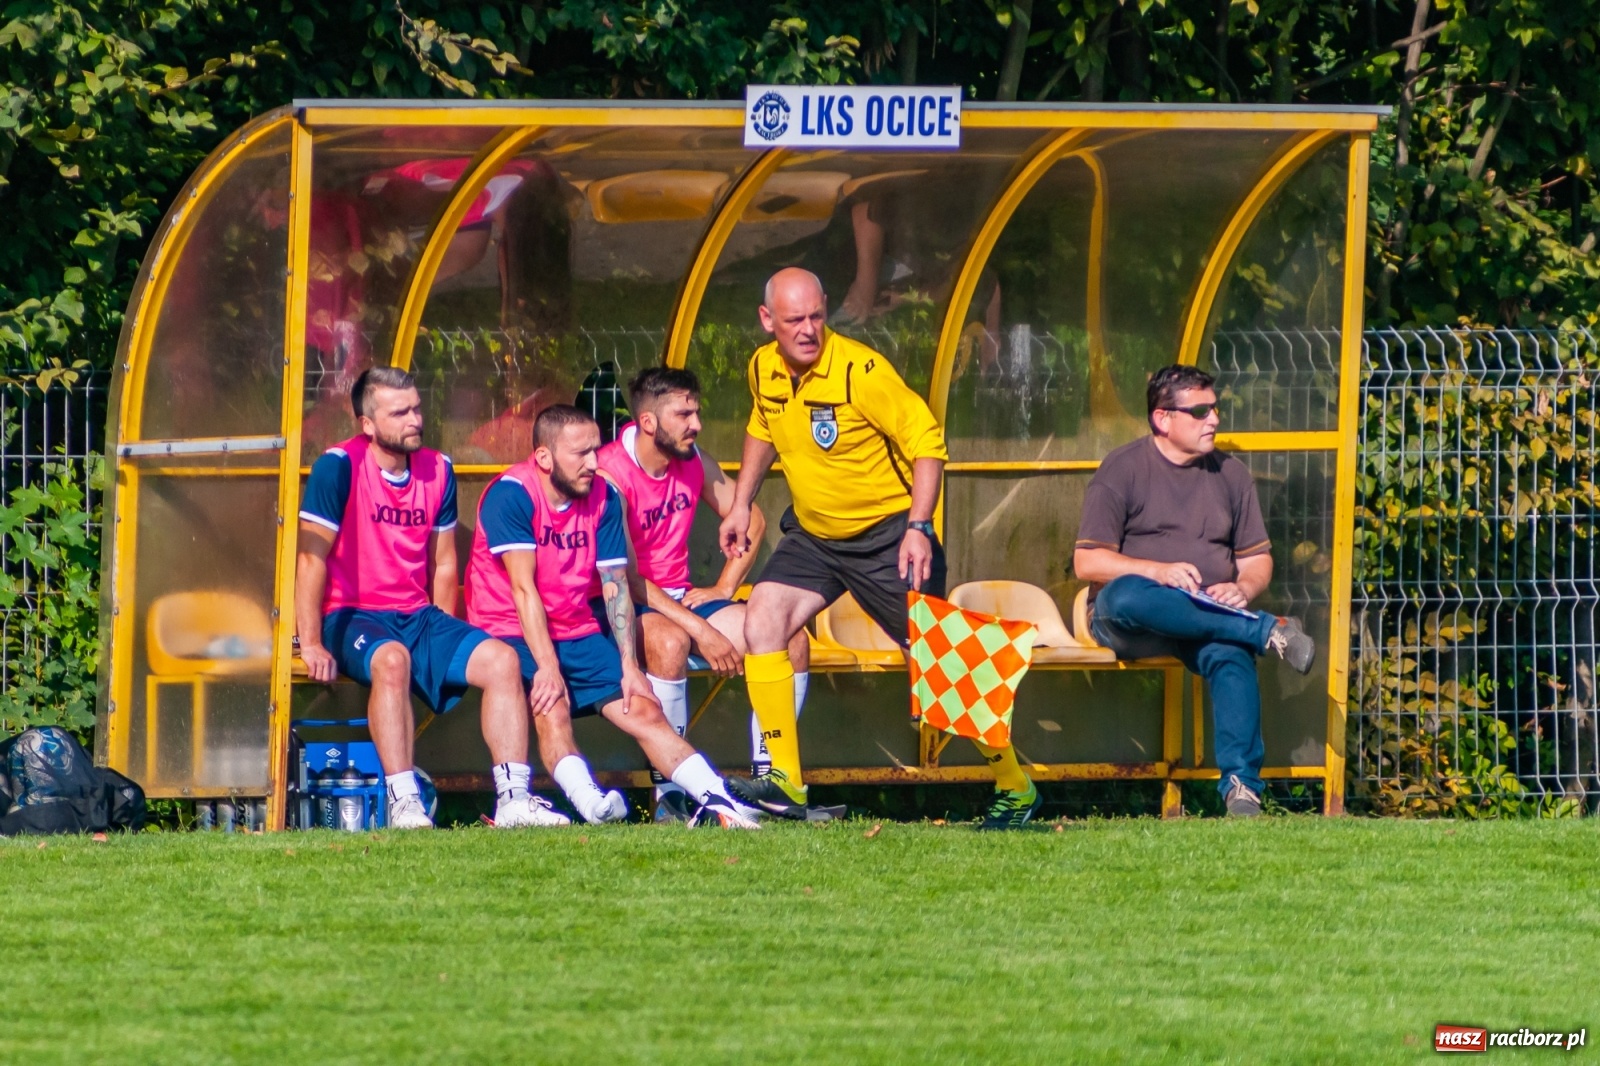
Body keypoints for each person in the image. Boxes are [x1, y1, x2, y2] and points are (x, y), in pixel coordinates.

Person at [718, 268, 1041, 829]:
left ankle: (1016, 786)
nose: (808, 330)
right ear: (767, 320)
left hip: (888, 538)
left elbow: (928, 443)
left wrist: (919, 526)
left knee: (940, 666)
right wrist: (741, 502)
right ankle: (785, 780)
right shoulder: (761, 367)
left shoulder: (860, 371)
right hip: (816, 536)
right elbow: (763, 427)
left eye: (817, 316)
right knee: (764, 616)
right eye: (794, 320)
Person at [463, 404, 761, 829]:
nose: (593, 462)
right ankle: (590, 804)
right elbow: (523, 590)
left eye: (595, 450)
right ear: (544, 457)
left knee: (643, 709)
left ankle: (723, 803)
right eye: (580, 453)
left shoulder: (602, 495)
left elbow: (616, 585)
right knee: (553, 704)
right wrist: (548, 666)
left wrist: (630, 666)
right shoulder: (511, 494)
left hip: (575, 624)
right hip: (511, 627)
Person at [295, 367, 566, 830]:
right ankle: (404, 802)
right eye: (399, 413)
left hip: (417, 614)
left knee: (503, 661)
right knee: (393, 660)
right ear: (367, 424)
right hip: (351, 616)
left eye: (417, 409)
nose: (414, 420)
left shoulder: (438, 468)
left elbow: (443, 563)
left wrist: (439, 638)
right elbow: (310, 559)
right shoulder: (337, 466)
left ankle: (514, 801)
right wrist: (312, 641)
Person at [1072, 364, 1317, 817]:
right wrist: (1157, 571)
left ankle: (1242, 789)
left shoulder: (1232, 474)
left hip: (1204, 617)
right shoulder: (1122, 469)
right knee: (1127, 593)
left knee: (1230, 652)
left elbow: (1258, 561)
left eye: (1215, 408)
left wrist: (1243, 587)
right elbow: (1087, 562)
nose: (1214, 419)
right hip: (1130, 619)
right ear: (1163, 419)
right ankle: (1264, 630)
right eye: (1200, 411)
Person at [595, 367, 810, 821]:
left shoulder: (693, 459)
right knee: (670, 642)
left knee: (791, 639)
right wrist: (700, 629)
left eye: (697, 412)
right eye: (684, 414)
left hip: (683, 598)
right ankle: (670, 796)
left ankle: (772, 784)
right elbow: (625, 576)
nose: (696, 424)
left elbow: (751, 520)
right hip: (628, 604)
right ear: (648, 422)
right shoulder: (610, 474)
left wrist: (724, 586)